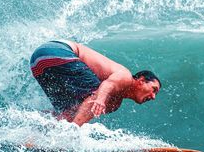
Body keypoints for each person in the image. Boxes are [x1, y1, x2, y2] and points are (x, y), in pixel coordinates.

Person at [30, 40, 161, 126]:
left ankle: (33, 125)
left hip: (38, 62)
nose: (154, 96)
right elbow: (108, 85)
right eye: (153, 89)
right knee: (99, 95)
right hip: (57, 50)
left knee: (66, 112)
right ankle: (72, 135)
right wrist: (99, 100)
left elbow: (77, 112)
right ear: (141, 80)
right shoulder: (125, 76)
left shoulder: (115, 104)